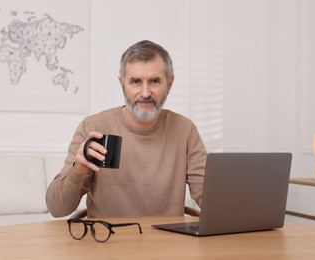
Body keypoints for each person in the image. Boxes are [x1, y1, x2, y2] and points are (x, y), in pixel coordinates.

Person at [46, 40, 207, 218]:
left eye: (154, 81)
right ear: (122, 83)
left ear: (170, 83)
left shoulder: (185, 130)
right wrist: (79, 169)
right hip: (107, 241)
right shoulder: (94, 127)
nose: (145, 93)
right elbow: (57, 208)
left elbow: (210, 198)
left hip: (167, 241)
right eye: (135, 82)